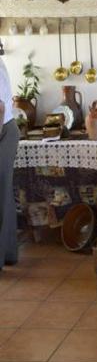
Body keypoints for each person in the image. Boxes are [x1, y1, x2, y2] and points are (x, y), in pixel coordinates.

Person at [0, 57, 19, 272]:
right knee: (4, 194)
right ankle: (8, 253)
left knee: (1, 194)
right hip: (5, 128)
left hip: (3, 130)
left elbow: (0, 107)